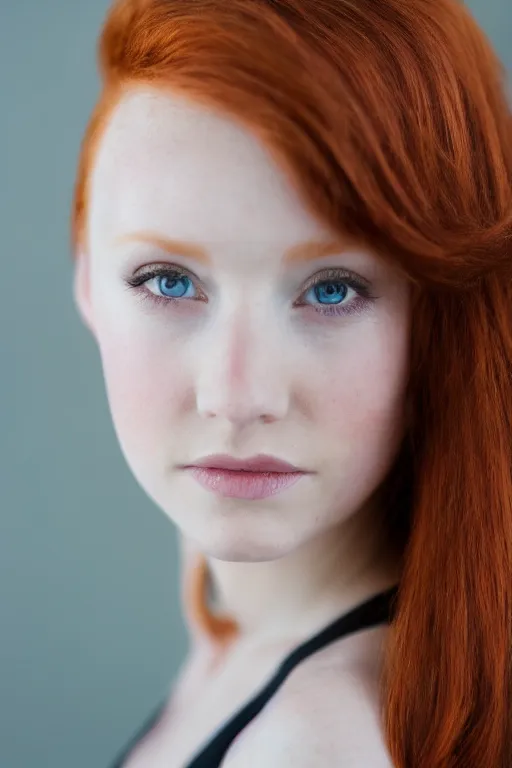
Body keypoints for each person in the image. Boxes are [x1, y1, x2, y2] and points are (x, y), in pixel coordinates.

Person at [70, 0, 512, 765]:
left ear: (440, 314)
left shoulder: (312, 740)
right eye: (168, 281)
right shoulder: (244, 642)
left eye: (332, 289)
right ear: (84, 280)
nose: (238, 398)